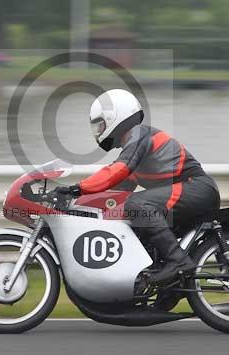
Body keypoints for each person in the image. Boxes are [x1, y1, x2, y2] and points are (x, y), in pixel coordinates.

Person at [56, 88, 219, 285]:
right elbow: (114, 193)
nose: (98, 131)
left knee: (136, 204)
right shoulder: (133, 148)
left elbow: (116, 171)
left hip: (196, 188)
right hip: (189, 192)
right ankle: (165, 286)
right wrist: (76, 204)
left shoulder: (139, 134)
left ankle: (178, 262)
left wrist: (77, 188)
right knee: (126, 215)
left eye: (101, 125)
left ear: (115, 116)